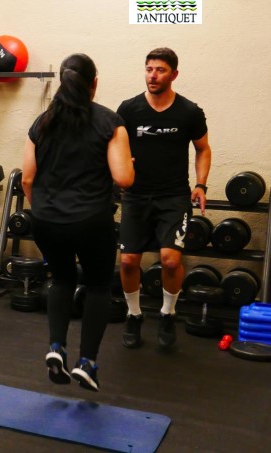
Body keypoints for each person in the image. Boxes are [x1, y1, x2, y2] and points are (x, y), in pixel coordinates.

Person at [21, 53, 134, 392]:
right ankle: (87, 363)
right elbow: (124, 178)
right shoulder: (109, 121)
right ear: (94, 83)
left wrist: (43, 209)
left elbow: (27, 179)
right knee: (98, 285)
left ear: (61, 81)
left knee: (62, 278)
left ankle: (56, 348)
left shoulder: (41, 123)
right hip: (90, 222)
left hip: (46, 220)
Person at [117, 47, 210, 350]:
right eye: (149, 69)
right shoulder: (129, 109)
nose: (153, 76)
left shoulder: (189, 112)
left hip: (173, 196)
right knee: (128, 260)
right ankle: (134, 314)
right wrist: (120, 166)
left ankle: (168, 313)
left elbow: (203, 149)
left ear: (174, 74)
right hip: (136, 196)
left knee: (170, 261)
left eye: (160, 70)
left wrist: (201, 185)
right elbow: (115, 146)